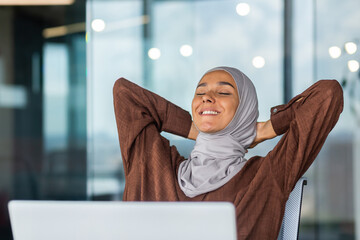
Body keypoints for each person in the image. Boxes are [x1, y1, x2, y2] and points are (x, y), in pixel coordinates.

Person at [113, 66, 343, 239]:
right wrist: (197, 129)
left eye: (223, 92)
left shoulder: (266, 176)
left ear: (245, 110)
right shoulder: (154, 167)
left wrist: (265, 129)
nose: (207, 97)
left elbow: (327, 94)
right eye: (200, 93)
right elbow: (125, 94)